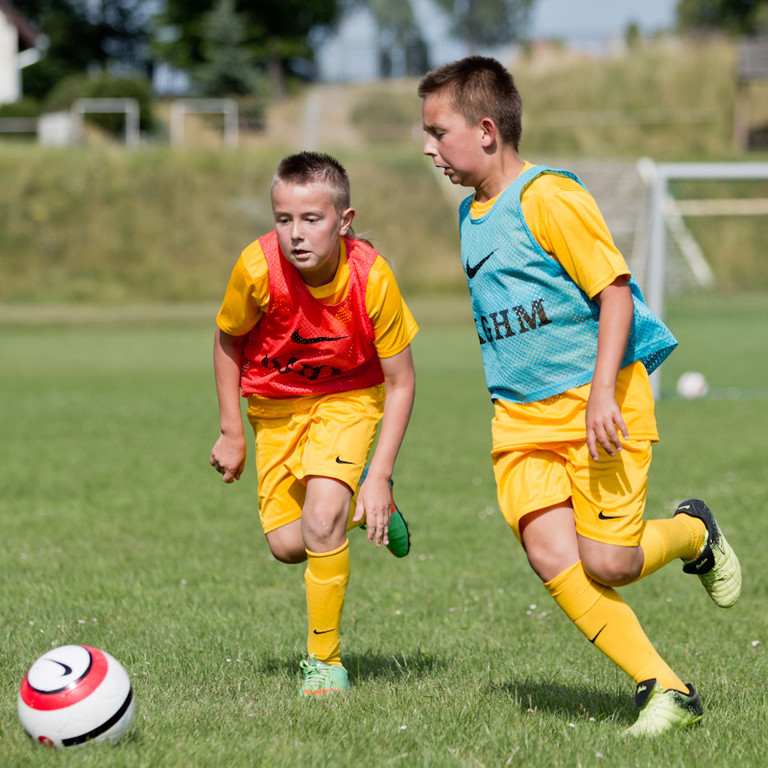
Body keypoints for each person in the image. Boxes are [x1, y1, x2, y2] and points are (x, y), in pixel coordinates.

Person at [418, 56, 741, 736]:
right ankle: (666, 689)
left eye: (437, 131)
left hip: (600, 407)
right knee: (550, 555)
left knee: (609, 563)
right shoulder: (470, 217)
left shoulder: (551, 199)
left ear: (484, 130)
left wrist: (601, 395)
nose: (428, 147)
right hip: (518, 420)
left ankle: (693, 533)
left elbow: (614, 292)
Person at [209, 151, 417, 696]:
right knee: (286, 543)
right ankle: (369, 516)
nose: (295, 234)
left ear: (343, 222)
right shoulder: (256, 268)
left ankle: (324, 663)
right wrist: (232, 431)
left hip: (349, 398)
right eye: (284, 219)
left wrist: (380, 474)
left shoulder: (372, 277)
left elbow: (401, 382)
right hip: (274, 408)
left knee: (321, 518)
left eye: (311, 219)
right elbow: (228, 339)